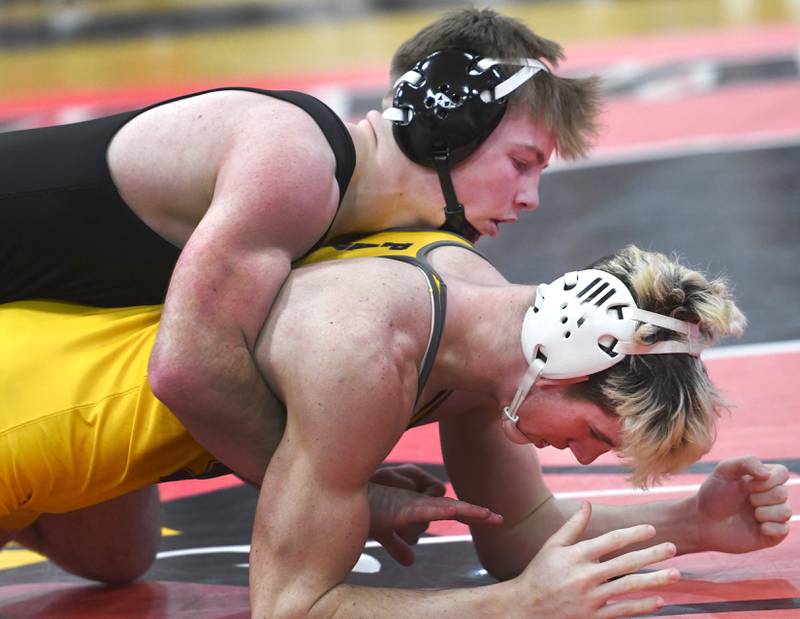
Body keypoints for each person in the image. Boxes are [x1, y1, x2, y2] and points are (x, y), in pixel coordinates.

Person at [0, 230, 789, 617]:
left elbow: (522, 532)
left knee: (118, 555)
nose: (582, 458)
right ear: (569, 357)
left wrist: (690, 522)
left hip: (76, 418)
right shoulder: (365, 351)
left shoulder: (480, 311)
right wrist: (514, 607)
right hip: (23, 422)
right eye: (596, 432)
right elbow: (291, 606)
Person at [0, 8, 600, 484]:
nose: (531, 199)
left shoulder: (358, 217)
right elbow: (186, 369)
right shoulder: (296, 164)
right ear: (447, 125)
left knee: (116, 557)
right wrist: (342, 492)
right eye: (522, 163)